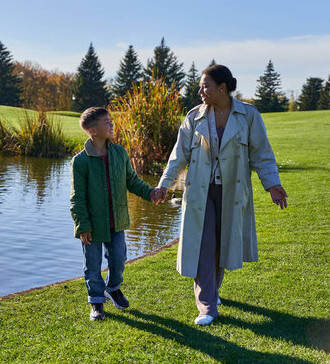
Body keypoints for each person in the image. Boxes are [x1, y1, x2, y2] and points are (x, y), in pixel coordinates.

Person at [156, 64, 288, 326]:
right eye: (200, 85)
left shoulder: (248, 116)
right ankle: (207, 306)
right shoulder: (194, 117)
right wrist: (165, 185)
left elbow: (261, 153)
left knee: (221, 243)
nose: (200, 90)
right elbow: (178, 155)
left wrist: (272, 184)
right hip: (200, 193)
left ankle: (212, 291)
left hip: (233, 192)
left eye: (205, 85)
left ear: (222, 87)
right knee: (204, 245)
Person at [70, 107, 162, 321]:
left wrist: (150, 192)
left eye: (110, 120)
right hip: (92, 224)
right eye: (106, 122)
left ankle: (112, 287)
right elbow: (77, 197)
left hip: (117, 221)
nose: (111, 125)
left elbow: (132, 181)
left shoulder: (119, 153)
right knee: (92, 266)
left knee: (119, 259)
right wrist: (82, 225)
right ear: (92, 130)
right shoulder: (80, 161)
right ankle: (96, 303)